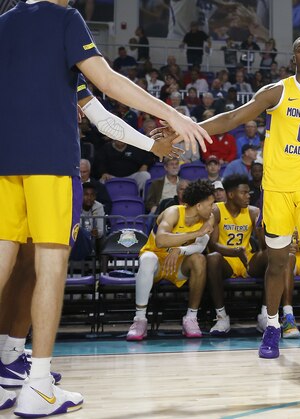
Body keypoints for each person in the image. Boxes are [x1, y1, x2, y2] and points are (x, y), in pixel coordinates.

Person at [0, 1, 209, 414]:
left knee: (7, 264)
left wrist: (151, 145)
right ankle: (38, 384)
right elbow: (108, 84)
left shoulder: (4, 24)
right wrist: (172, 114)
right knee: (50, 268)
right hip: (48, 163)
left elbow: (98, 115)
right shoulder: (65, 20)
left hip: (6, 162)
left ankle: (8, 363)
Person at [156, 34, 300, 373]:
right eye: (299, 49)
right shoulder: (278, 91)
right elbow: (232, 118)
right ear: (293, 57)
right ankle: (273, 327)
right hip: (278, 190)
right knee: (278, 265)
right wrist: (182, 130)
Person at [126, 179, 214, 341]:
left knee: (199, 259)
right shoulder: (173, 212)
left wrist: (180, 249)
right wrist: (195, 234)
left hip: (179, 263)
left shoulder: (209, 218)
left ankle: (191, 318)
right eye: (210, 204)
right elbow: (161, 240)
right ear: (199, 206)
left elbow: (200, 247)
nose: (213, 207)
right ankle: (140, 320)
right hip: (157, 262)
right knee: (148, 259)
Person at [206, 175, 267, 336]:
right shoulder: (217, 210)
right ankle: (221, 316)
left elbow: (263, 246)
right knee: (212, 258)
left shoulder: (253, 212)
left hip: (246, 260)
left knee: (271, 255)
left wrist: (261, 229)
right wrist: (234, 252)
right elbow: (212, 245)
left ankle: (265, 315)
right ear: (231, 195)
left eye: (249, 193)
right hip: (226, 260)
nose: (248, 196)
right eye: (244, 193)